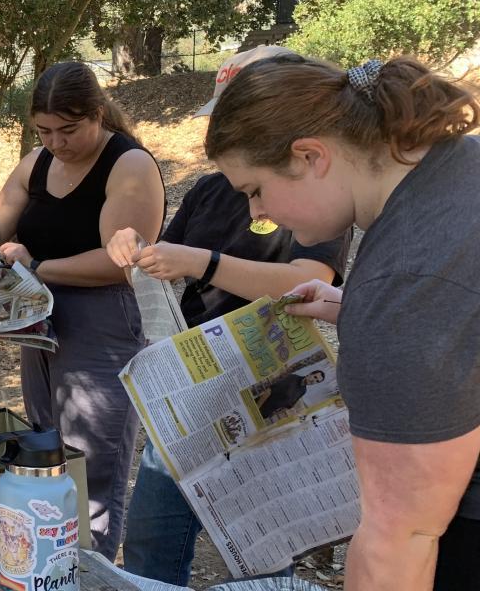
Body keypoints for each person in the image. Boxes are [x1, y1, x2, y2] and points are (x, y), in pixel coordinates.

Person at [204, 51, 480, 590]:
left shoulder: (405, 284)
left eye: (254, 190)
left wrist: (377, 314)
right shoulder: (458, 167)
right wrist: (351, 306)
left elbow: (399, 539)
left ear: (310, 156)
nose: (256, 214)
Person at [108, 46, 350, 585]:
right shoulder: (212, 189)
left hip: (270, 393)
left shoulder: (316, 197)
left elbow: (307, 281)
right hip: (192, 391)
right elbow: (168, 259)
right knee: (151, 534)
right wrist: (137, 251)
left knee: (259, 547)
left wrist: (205, 263)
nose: (256, 206)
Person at [0, 61, 165, 559]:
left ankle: (93, 569)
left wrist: (38, 264)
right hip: (39, 320)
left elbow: (118, 264)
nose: (56, 143)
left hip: (104, 319)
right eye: (43, 130)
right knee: (45, 448)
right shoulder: (36, 163)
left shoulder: (128, 164)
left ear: (98, 114)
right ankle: (50, 562)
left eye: (68, 130)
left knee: (93, 463)